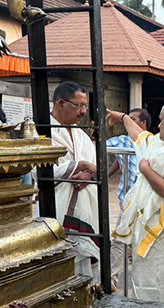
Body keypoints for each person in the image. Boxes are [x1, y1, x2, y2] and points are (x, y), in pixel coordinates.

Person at [107, 101, 164, 304]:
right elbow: (140, 137)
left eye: (160, 121)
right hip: (146, 223)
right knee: (143, 276)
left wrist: (145, 169)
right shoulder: (160, 143)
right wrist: (123, 118)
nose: (157, 126)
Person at [44, 81, 100, 279]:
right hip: (57, 208)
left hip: (86, 208)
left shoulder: (82, 136)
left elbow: (95, 167)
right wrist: (81, 165)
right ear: (60, 103)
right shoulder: (43, 131)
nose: (83, 111)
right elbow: (42, 171)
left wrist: (89, 175)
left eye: (85, 106)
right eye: (78, 105)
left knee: (84, 267)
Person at [107, 108, 152, 292]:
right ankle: (112, 280)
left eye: (132, 120)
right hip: (128, 201)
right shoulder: (122, 141)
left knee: (141, 239)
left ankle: (142, 284)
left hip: (146, 201)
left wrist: (122, 117)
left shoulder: (150, 142)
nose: (127, 123)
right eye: (128, 118)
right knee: (119, 239)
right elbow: (116, 157)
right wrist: (101, 175)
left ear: (143, 124)